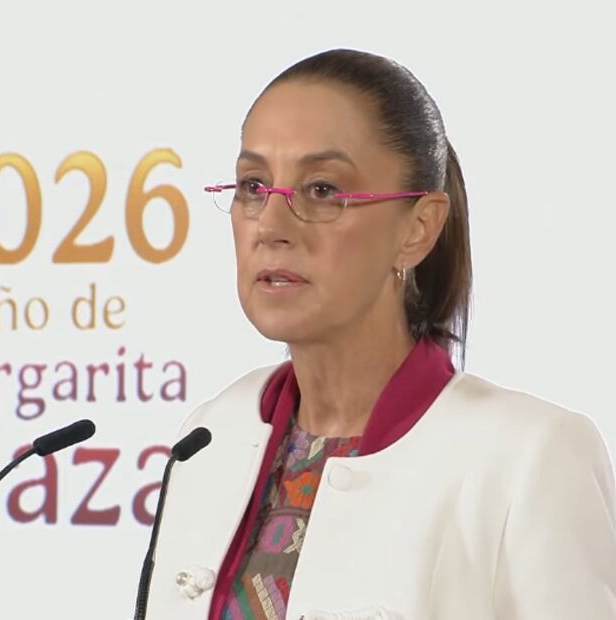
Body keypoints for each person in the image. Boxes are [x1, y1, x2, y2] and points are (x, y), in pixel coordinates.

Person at [145, 49, 616, 619]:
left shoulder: (530, 457)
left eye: (321, 190)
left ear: (418, 230)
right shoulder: (212, 432)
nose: (270, 225)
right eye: (253, 185)